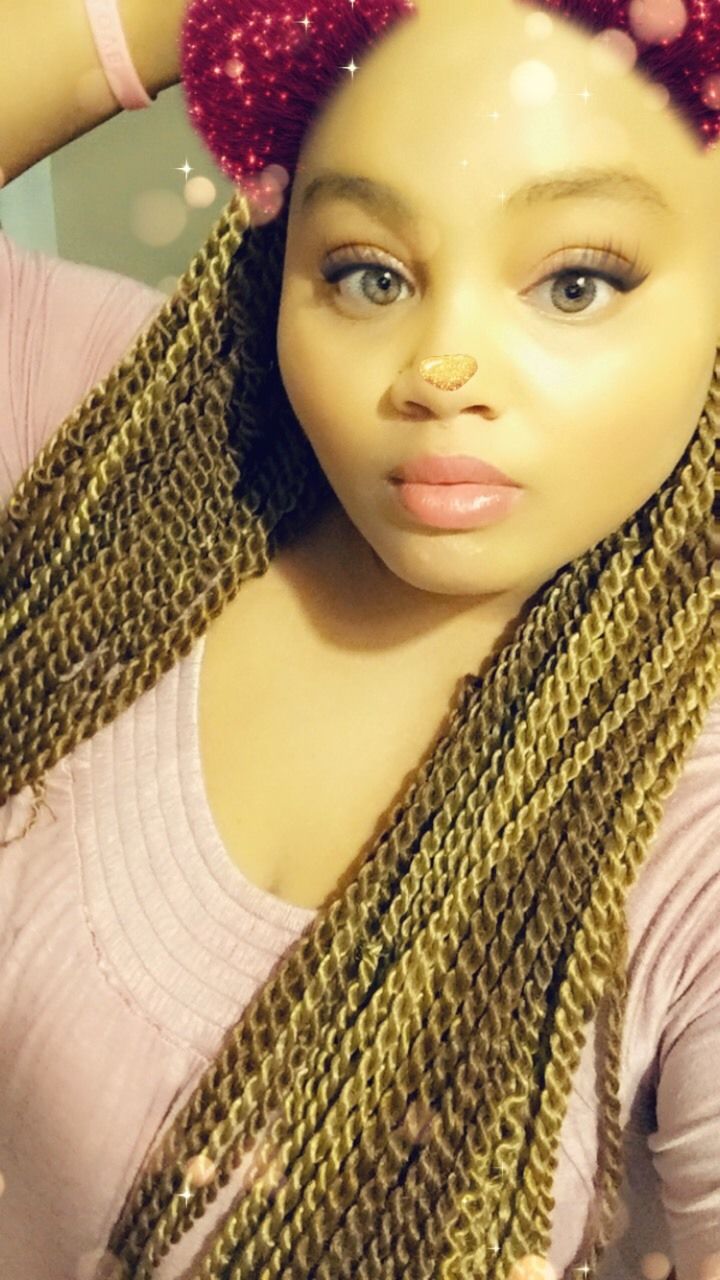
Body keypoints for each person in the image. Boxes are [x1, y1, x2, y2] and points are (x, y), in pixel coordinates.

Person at [0, 0, 718, 1277]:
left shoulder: (696, 841)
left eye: (576, 281)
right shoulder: (107, 451)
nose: (443, 368)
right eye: (369, 273)